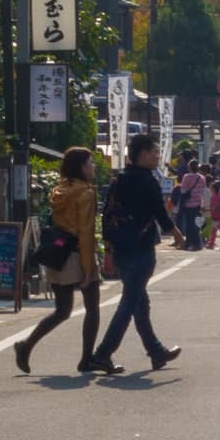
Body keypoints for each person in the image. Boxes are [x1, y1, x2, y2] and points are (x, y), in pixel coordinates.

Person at [88, 134, 182, 375]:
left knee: (140, 301)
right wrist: (179, 235)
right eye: (154, 152)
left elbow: (107, 215)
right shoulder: (147, 180)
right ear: (142, 154)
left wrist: (108, 249)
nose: (157, 156)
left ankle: (156, 351)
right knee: (130, 302)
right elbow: (160, 213)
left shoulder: (118, 180)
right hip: (140, 248)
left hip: (120, 248)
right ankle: (103, 353)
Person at [14, 147, 104, 375]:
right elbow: (85, 231)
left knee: (62, 311)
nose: (93, 166)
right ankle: (87, 359)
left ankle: (27, 345)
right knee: (92, 308)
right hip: (78, 254)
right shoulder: (86, 193)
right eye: (90, 162)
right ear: (82, 167)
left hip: (58, 254)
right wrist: (87, 269)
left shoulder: (58, 190)